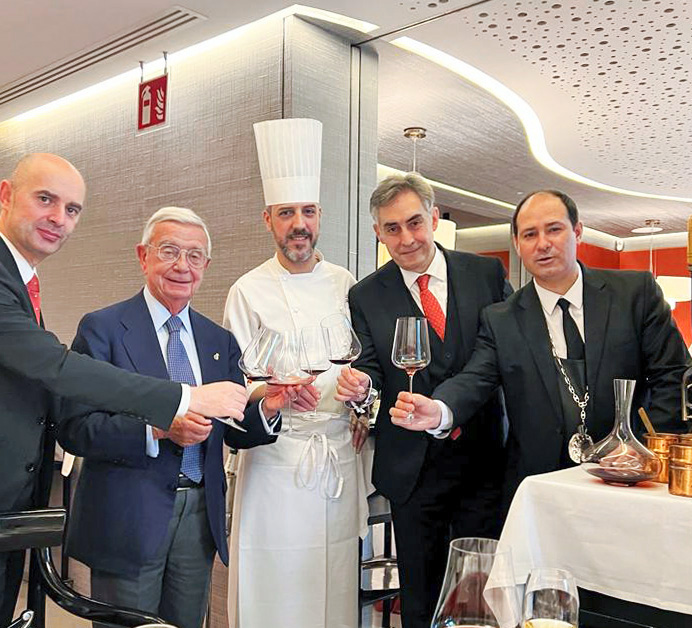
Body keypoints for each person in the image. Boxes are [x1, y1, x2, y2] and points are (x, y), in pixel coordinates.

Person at [0, 153, 247, 628]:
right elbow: (57, 369)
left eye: (72, 209)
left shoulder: (15, 279)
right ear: (6, 195)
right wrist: (185, 398)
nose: (59, 218)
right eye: (46, 199)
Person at [57, 207, 291, 628]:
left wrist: (268, 407)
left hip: (198, 516)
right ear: (143, 256)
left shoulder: (218, 341)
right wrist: (160, 428)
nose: (182, 266)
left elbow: (233, 427)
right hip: (129, 517)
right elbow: (76, 429)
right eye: (169, 252)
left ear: (206, 266)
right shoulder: (103, 330)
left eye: (195, 256)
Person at [392, 189, 689, 510]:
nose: (543, 243)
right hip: (538, 489)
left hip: (629, 483)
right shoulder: (501, 318)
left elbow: (673, 376)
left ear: (577, 231)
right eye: (530, 234)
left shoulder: (634, 294)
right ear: (518, 245)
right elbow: (475, 379)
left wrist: (645, 451)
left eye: (554, 229)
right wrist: (439, 411)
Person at [334, 172, 510, 628]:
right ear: (378, 233)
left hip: (484, 462)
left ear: (434, 217)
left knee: (482, 596)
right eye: (392, 228)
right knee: (420, 600)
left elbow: (507, 356)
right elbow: (372, 370)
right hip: (413, 469)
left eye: (415, 222)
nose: (407, 237)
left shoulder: (486, 274)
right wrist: (362, 388)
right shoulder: (366, 295)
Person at [223, 118, 368, 628]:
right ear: (268, 219)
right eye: (286, 213)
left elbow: (362, 367)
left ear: (320, 216)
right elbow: (235, 385)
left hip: (336, 455)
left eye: (307, 212)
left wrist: (362, 399)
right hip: (276, 461)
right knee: (274, 581)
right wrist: (273, 393)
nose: (298, 224)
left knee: (331, 580)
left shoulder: (347, 284)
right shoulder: (247, 290)